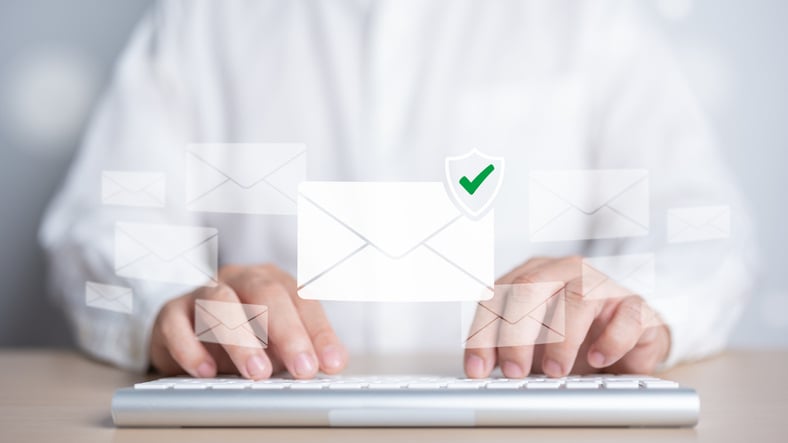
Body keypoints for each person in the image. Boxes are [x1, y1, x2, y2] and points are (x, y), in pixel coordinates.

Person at [39, 0, 756, 381]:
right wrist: (175, 300)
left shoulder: (589, 14)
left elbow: (705, 226)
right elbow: (100, 220)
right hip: (261, 419)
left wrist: (631, 304)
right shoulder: (204, 16)